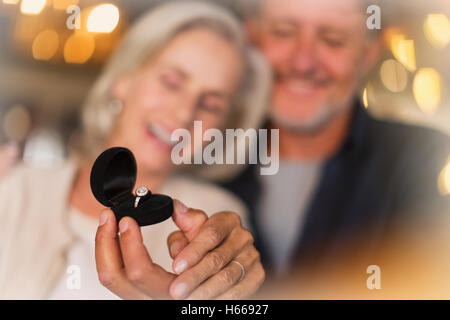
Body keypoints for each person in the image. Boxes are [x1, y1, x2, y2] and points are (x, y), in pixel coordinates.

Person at [0, 1, 270, 299]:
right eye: (171, 82)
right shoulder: (16, 187)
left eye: (210, 104)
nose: (183, 114)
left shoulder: (217, 219)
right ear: (123, 80)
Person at [220, 0, 450, 281]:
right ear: (251, 38)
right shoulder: (209, 157)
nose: (303, 62)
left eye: (333, 40)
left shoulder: (428, 160)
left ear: (368, 52)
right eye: (282, 32)